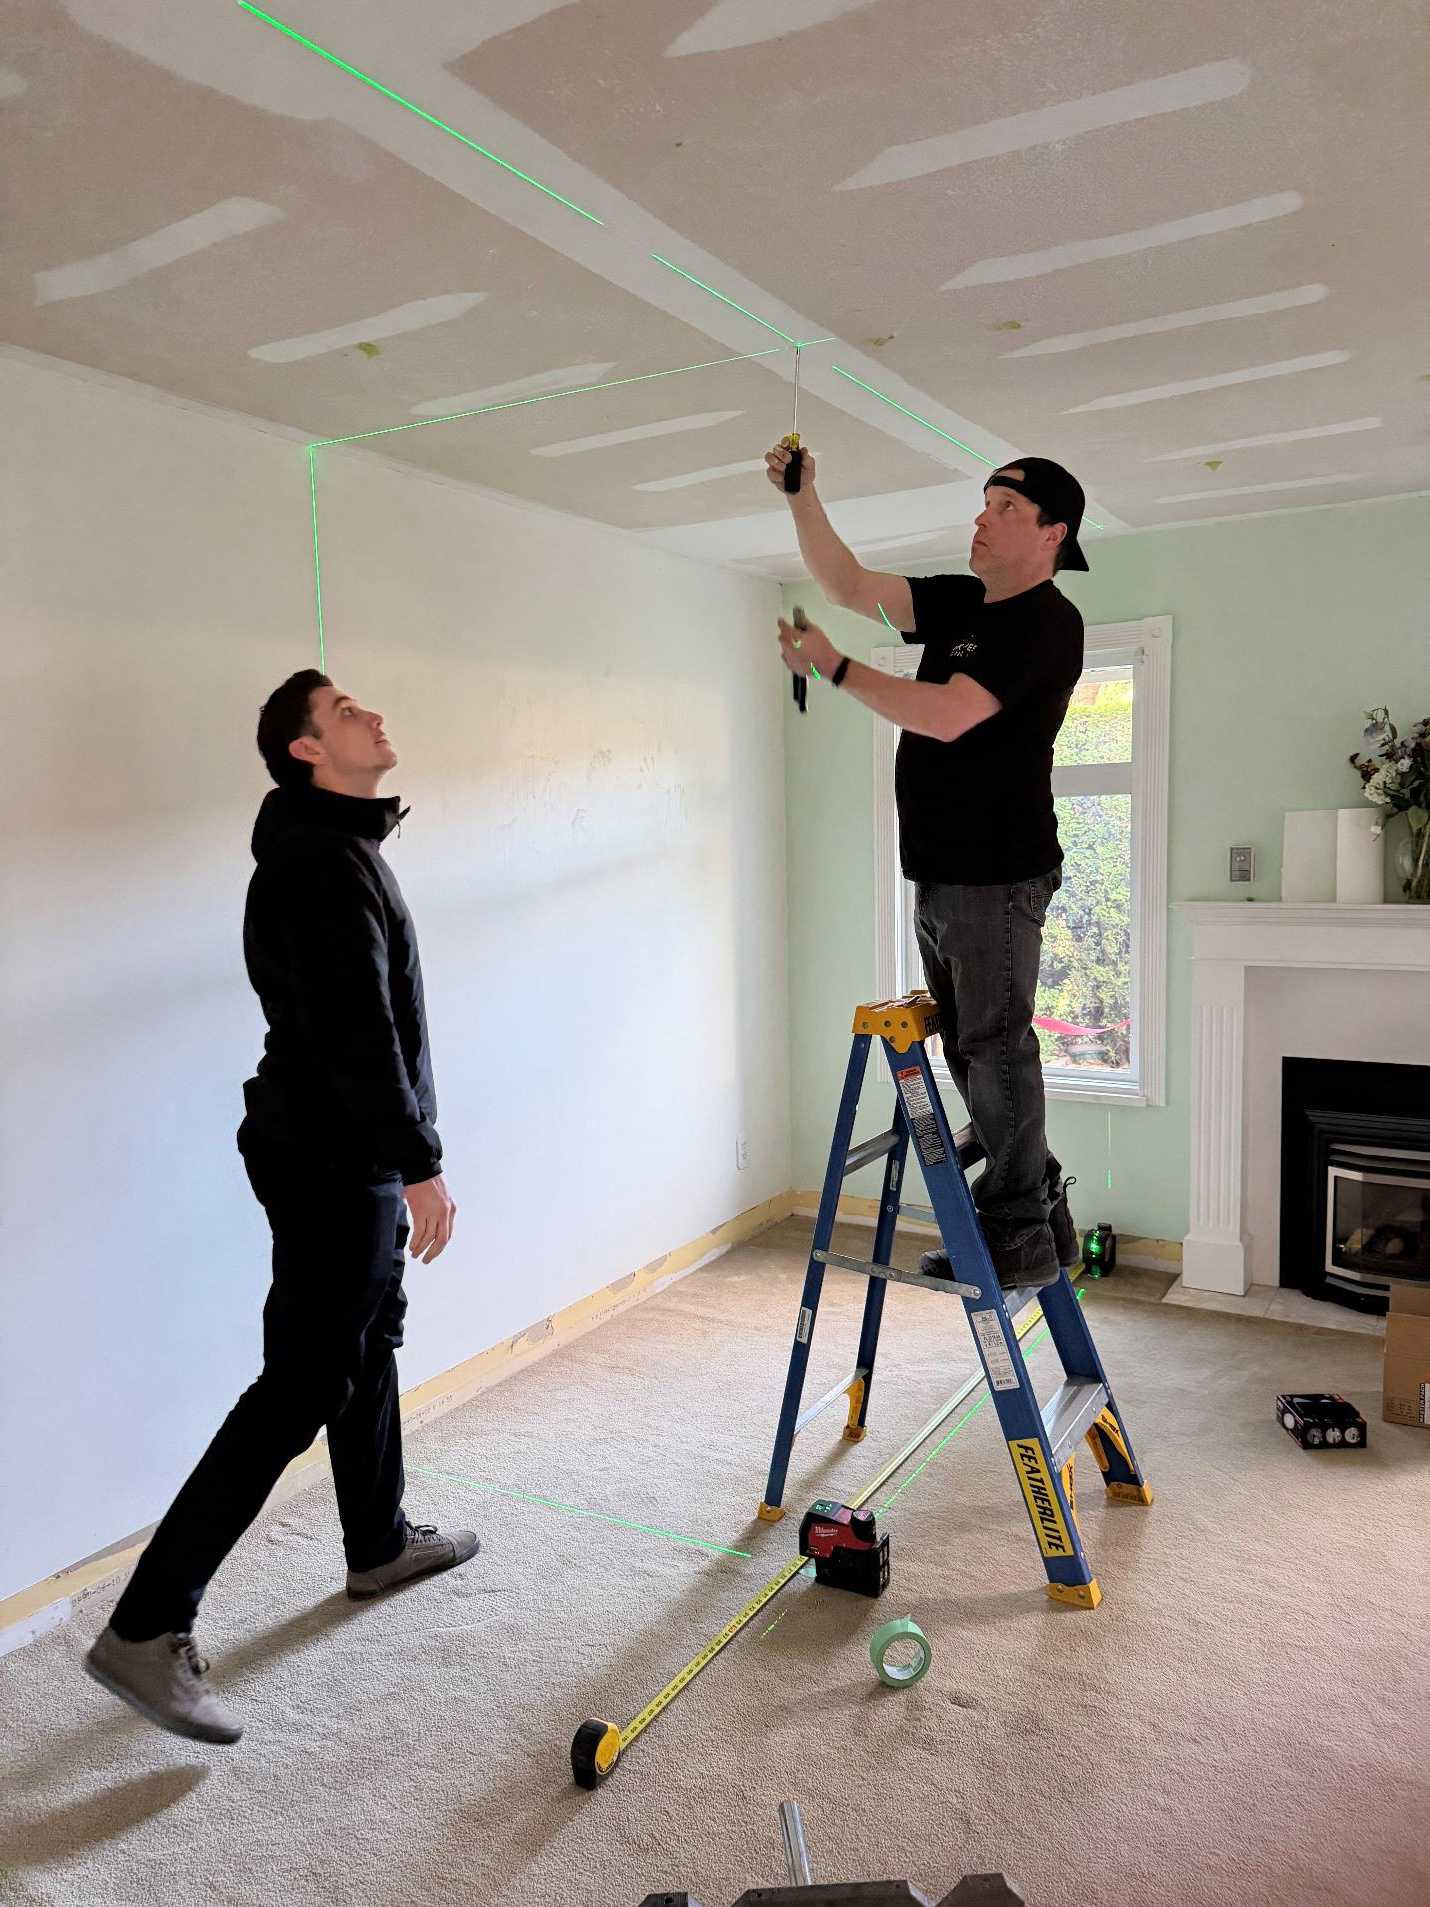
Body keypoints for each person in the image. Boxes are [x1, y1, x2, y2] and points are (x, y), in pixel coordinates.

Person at [84, 671, 478, 1744]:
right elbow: (357, 1035)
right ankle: (144, 1627)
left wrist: (402, 1157)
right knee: (301, 1379)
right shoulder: (317, 864)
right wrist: (418, 1161)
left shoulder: (336, 849)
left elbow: (369, 1027)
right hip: (329, 1157)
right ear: (306, 749)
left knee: (367, 1335)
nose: (375, 714)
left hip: (339, 1149)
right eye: (346, 709)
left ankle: (377, 1539)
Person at [766, 443, 1087, 1290]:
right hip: (942, 871)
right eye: (983, 503)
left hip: (999, 873)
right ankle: (1036, 1200)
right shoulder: (964, 603)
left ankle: (1017, 1230)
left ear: (1054, 533)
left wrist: (834, 666)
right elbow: (848, 583)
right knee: (969, 1046)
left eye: (1005, 508)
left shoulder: (1049, 621)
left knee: (995, 1044)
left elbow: (950, 716)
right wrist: (804, 495)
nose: (981, 517)